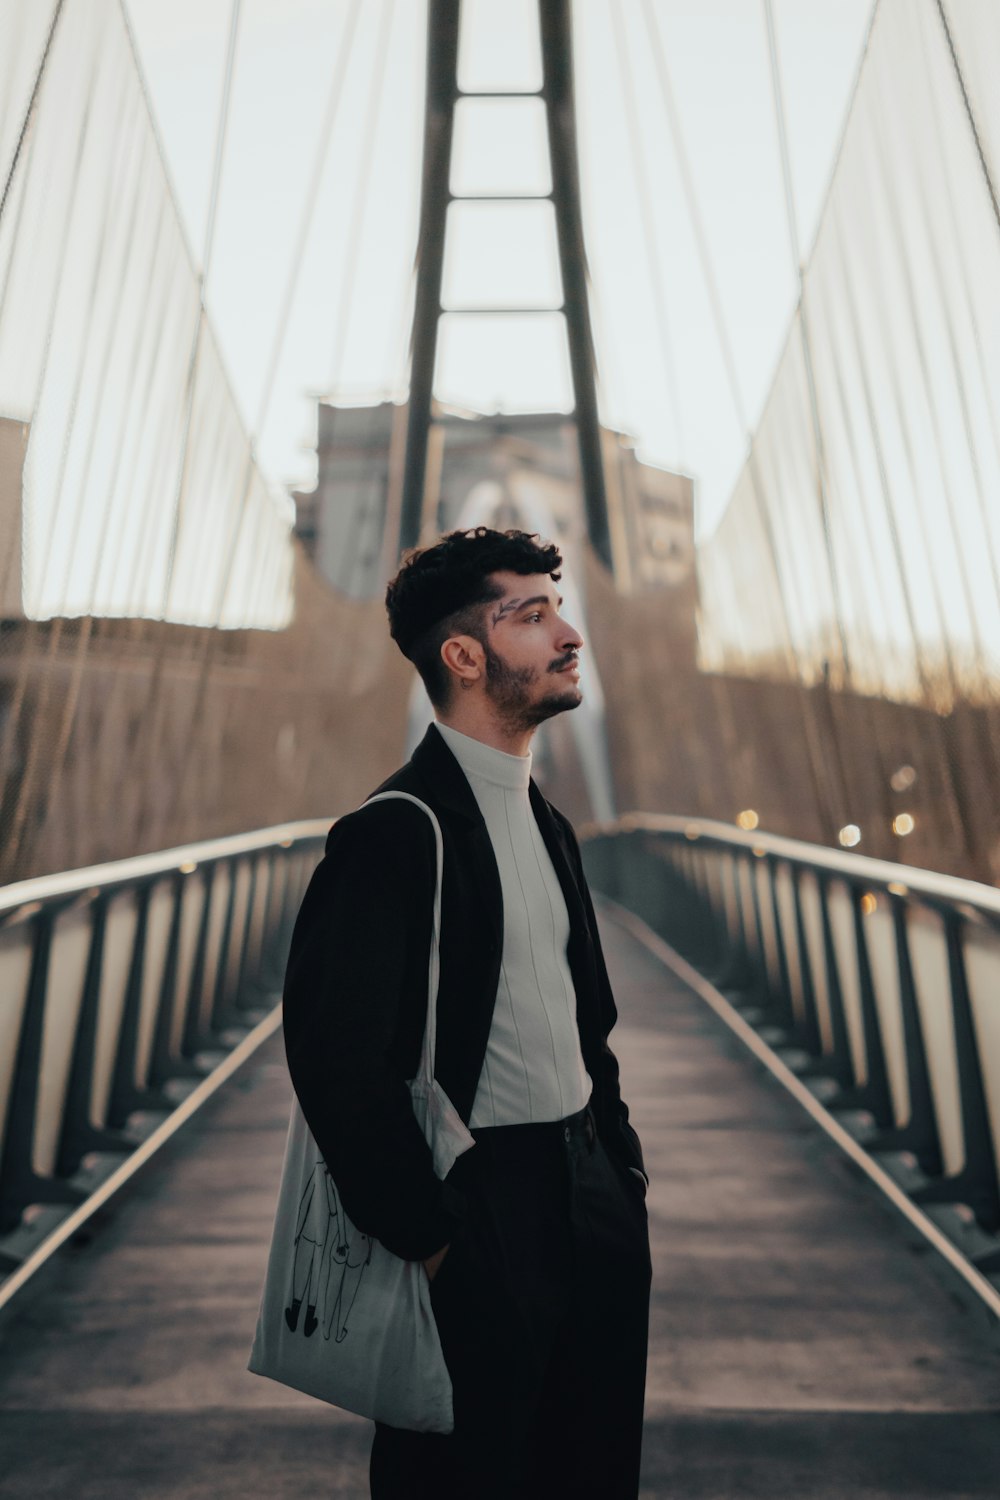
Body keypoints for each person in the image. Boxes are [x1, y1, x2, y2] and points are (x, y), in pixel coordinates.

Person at [282, 526, 651, 1499]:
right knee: (459, 1474)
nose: (567, 635)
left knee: (592, 1466)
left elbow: (588, 1029)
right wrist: (429, 1234)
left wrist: (618, 1168)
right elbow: (335, 1059)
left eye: (555, 608)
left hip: (587, 1196)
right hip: (479, 1207)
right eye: (530, 616)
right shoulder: (391, 835)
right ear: (462, 654)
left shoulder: (547, 821)